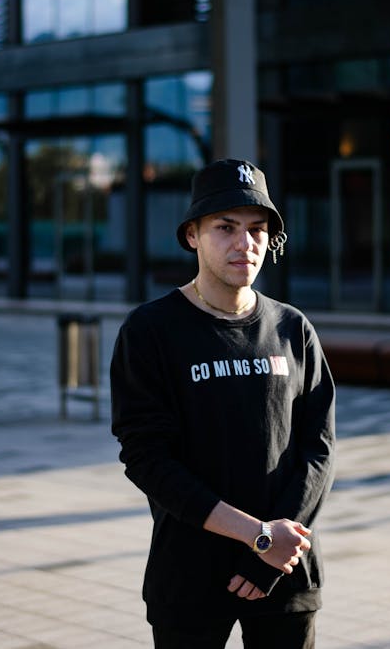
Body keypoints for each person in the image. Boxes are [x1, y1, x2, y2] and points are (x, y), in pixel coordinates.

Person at [111, 158, 335, 649]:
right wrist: (257, 536)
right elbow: (146, 458)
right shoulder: (151, 332)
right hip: (190, 572)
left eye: (257, 229)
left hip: (286, 572)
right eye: (225, 227)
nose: (245, 243)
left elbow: (318, 451)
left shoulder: (293, 329)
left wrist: (275, 548)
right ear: (192, 234)